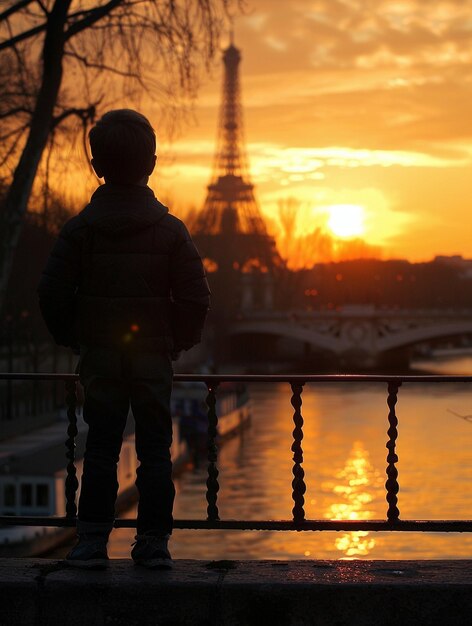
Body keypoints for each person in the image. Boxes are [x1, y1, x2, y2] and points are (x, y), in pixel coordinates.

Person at [38, 109, 210, 570]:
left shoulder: (79, 231)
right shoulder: (171, 232)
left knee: (100, 449)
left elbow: (51, 292)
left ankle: (92, 540)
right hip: (153, 357)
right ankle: (153, 542)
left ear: (97, 166)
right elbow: (197, 297)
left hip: (100, 357)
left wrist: (77, 338)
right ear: (151, 163)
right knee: (155, 450)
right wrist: (176, 341)